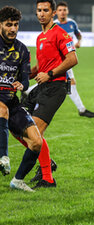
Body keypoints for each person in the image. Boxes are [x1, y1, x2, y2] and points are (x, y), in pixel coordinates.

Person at [21, 0, 78, 188]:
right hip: (42, 86)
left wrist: (51, 74)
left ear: (53, 13)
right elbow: (40, 67)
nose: (41, 13)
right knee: (16, 122)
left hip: (56, 87)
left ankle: (48, 178)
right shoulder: (40, 37)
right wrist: (21, 77)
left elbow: (72, 59)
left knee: (34, 131)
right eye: (39, 10)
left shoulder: (60, 34)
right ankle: (46, 162)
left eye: (46, 10)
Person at [0, 5, 43, 192]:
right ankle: (3, 157)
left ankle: (17, 180)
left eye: (16, 24)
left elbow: (25, 79)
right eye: (9, 24)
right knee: (2, 110)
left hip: (12, 102)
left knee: (37, 142)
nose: (13, 29)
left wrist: (22, 85)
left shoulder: (22, 50)